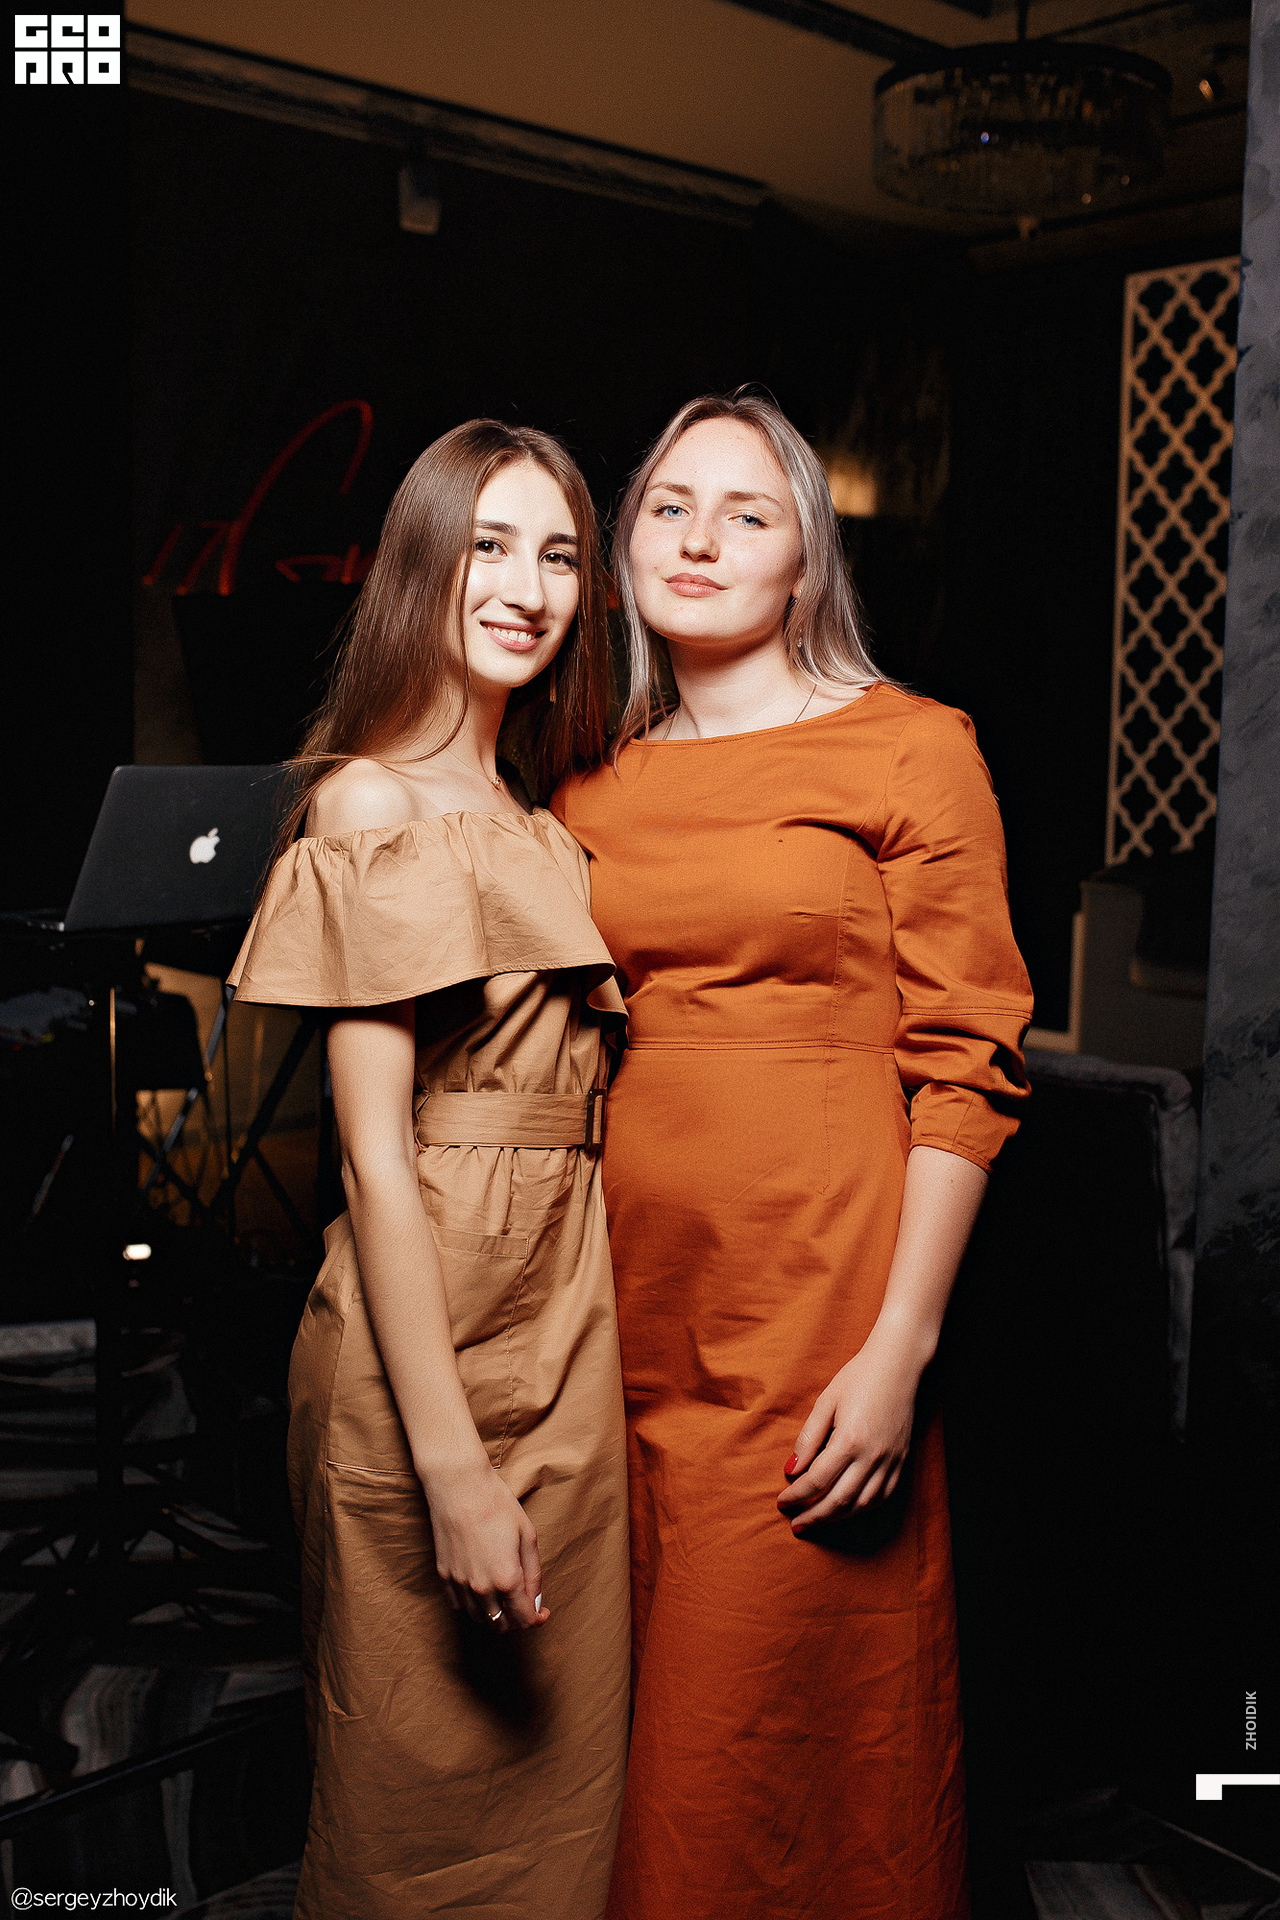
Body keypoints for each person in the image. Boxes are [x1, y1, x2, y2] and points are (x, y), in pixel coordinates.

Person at [553, 391, 1034, 1920]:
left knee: (757, 1727)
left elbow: (968, 1066)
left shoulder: (911, 748)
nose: (699, 539)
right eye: (669, 506)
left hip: (818, 1303)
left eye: (746, 513)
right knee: (622, 1718)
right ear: (625, 548)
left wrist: (900, 1349)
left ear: (805, 561)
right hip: (623, 1301)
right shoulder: (589, 777)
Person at [227, 421, 630, 1920]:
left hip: (570, 1313)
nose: (527, 586)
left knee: (571, 1782)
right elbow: (374, 1162)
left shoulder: (536, 816)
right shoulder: (369, 802)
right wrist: (452, 1470)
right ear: (421, 565)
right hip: (424, 1335)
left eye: (560, 554)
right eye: (489, 545)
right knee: (409, 1808)